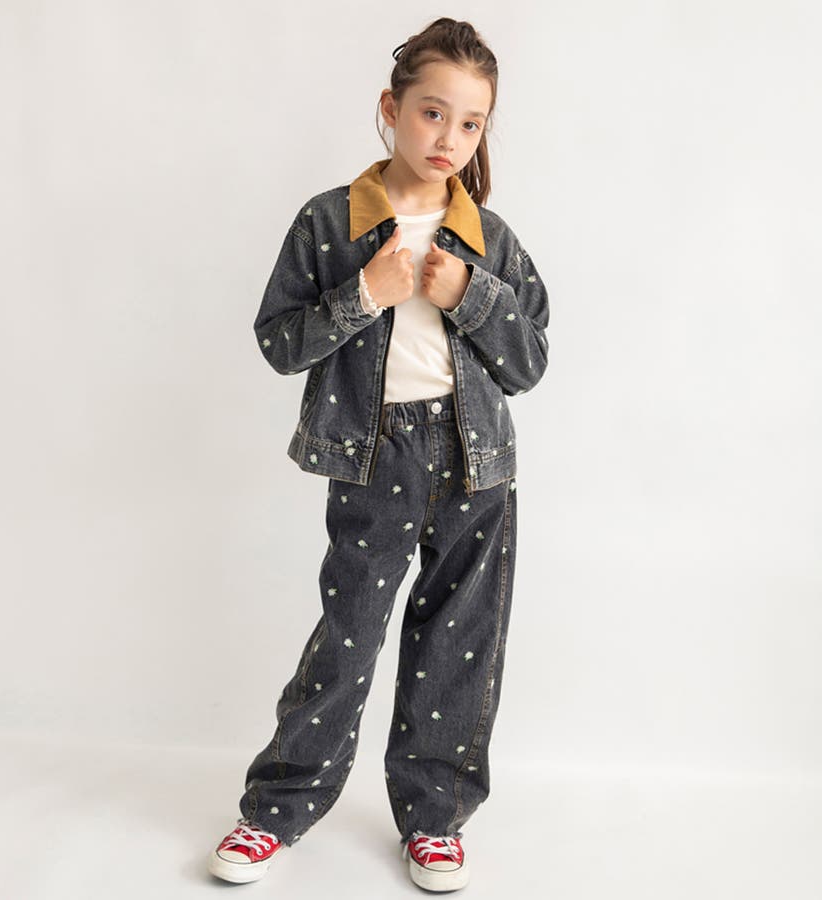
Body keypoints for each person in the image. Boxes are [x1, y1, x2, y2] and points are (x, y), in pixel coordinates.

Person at [207, 16, 550, 893]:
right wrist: (366, 292)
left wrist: (469, 294)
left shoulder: (490, 237)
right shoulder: (331, 222)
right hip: (376, 459)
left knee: (460, 643)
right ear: (391, 109)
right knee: (348, 636)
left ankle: (435, 820)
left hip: (477, 464)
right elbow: (280, 342)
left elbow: (529, 362)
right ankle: (276, 809)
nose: (449, 138)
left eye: (470, 123)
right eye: (433, 113)